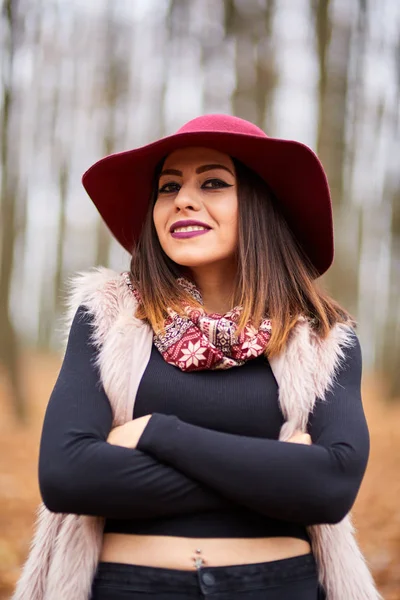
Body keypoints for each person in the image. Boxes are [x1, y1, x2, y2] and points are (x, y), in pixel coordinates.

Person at [14, 115, 381, 600]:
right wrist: (276, 478)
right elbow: (67, 476)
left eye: (212, 182)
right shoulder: (109, 318)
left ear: (258, 203)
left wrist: (155, 432)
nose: (183, 199)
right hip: (131, 588)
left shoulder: (320, 338)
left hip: (276, 588)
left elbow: (330, 489)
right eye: (168, 187)